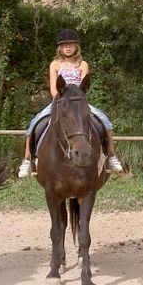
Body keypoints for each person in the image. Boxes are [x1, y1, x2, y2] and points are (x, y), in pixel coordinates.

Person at [17, 29, 124, 178]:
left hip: (78, 102)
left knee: (105, 122)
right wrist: (61, 101)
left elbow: (84, 87)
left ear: (76, 46)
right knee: (34, 123)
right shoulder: (55, 64)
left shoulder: (83, 64)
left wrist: (77, 101)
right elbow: (54, 88)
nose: (68, 47)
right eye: (64, 45)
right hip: (60, 100)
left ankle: (111, 156)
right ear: (60, 48)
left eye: (71, 44)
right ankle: (27, 160)